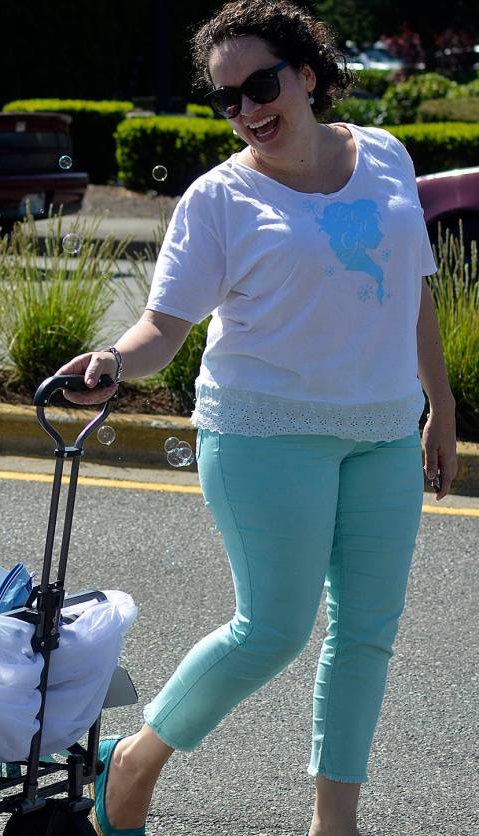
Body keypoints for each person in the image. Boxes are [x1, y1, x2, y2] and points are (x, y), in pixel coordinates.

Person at [56, 2, 458, 834]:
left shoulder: (383, 154)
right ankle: (133, 761)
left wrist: (440, 406)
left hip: (383, 432)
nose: (246, 110)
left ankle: (332, 824)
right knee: (273, 628)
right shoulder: (219, 199)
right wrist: (113, 363)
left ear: (306, 74)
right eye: (226, 99)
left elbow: (414, 286)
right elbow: (166, 326)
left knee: (368, 635)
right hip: (264, 432)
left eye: (260, 85)